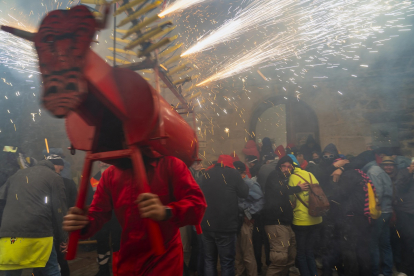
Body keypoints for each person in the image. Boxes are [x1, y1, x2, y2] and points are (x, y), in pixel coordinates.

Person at [63, 155, 207, 276]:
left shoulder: (171, 164)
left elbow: (198, 205)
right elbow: (97, 214)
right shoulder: (110, 174)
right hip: (127, 261)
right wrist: (81, 224)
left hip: (164, 261)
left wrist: (166, 211)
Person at [0, 158, 67, 276]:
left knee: (11, 270)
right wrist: (64, 238)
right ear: (54, 166)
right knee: (51, 269)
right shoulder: (54, 177)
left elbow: (2, 199)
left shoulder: (17, 174)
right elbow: (59, 209)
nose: (60, 173)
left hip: (10, 235)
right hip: (39, 233)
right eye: (60, 170)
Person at [200, 155, 248, 276]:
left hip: (206, 225)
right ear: (230, 164)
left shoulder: (205, 174)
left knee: (209, 260)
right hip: (225, 226)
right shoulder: (233, 173)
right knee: (227, 262)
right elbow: (244, 193)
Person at [263, 155, 309, 276]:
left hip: (285, 222)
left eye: (289, 167)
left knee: (290, 256)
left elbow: (279, 196)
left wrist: (289, 205)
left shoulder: (285, 179)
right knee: (280, 258)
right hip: (275, 223)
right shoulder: (274, 175)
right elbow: (280, 189)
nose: (286, 169)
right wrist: (297, 188)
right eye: (284, 166)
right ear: (279, 166)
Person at [86, 162, 121, 276]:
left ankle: (117, 269)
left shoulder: (120, 175)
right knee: (102, 243)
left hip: (116, 216)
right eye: (101, 162)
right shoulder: (94, 179)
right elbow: (89, 199)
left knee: (118, 243)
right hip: (102, 217)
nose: (103, 164)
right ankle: (103, 269)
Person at [289, 164, 323, 276]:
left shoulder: (293, 177)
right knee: (310, 251)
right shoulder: (310, 174)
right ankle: (314, 273)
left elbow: (291, 198)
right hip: (316, 218)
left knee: (301, 253)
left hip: (301, 220)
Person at [363, 156, 394, 276]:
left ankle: (375, 272)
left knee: (373, 244)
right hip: (388, 211)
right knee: (385, 244)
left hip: (380, 213)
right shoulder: (382, 172)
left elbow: (377, 193)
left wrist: (373, 210)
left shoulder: (372, 172)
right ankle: (387, 272)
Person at [233, 161, 264, 276]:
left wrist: (248, 214)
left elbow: (260, 201)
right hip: (235, 222)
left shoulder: (249, 183)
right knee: (237, 255)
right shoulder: (236, 183)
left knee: (247, 254)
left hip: (245, 223)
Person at [394, 159, 414, 276]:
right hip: (406, 212)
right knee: (407, 240)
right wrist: (410, 172)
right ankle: (406, 270)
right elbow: (399, 187)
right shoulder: (403, 172)